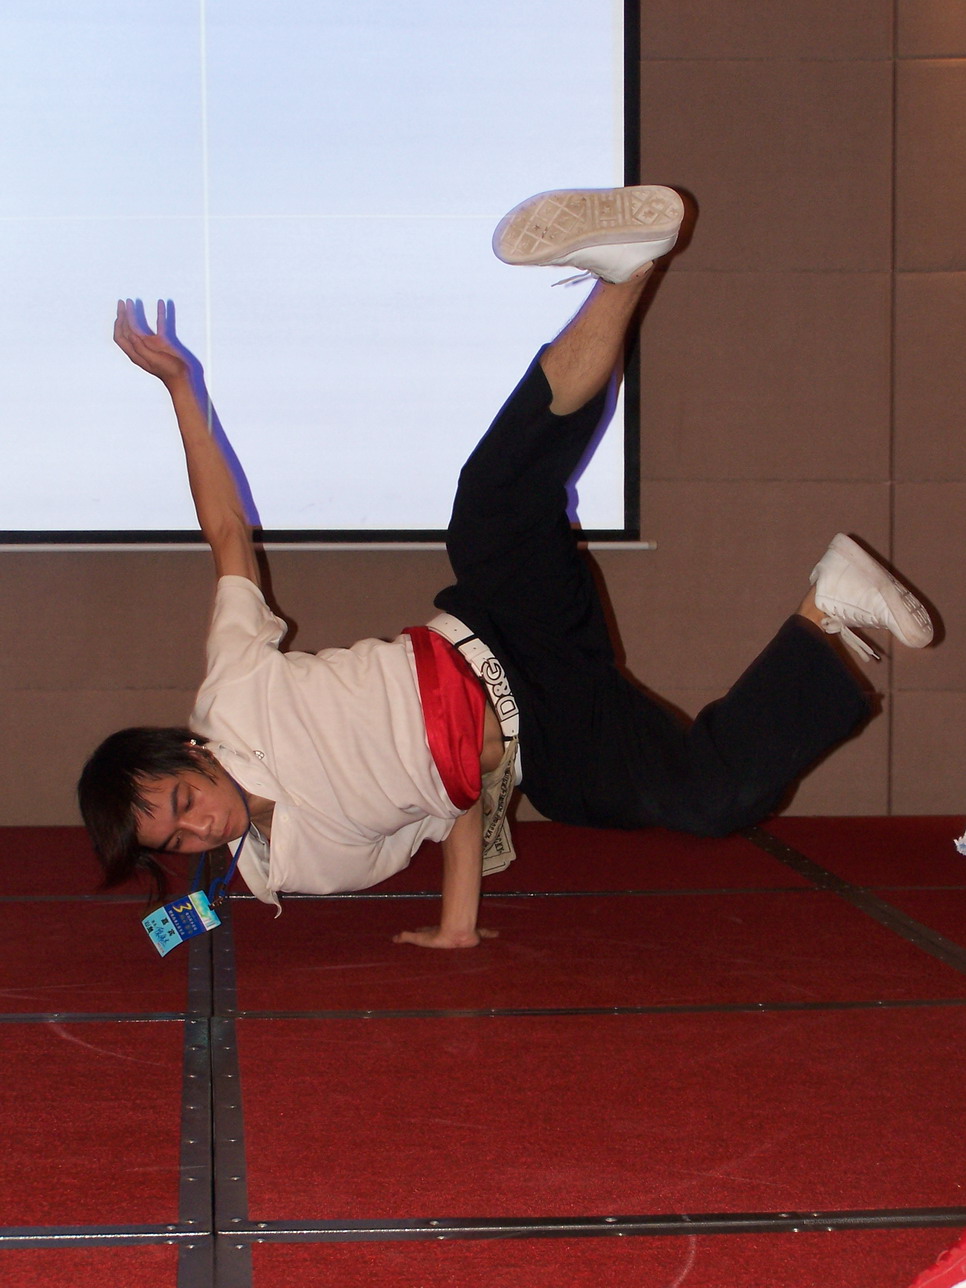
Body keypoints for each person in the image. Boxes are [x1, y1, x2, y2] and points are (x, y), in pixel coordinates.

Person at [78, 184, 934, 949]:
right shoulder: (295, 868)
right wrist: (458, 922)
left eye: (184, 802)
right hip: (545, 742)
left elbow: (228, 533)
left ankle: (626, 270)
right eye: (177, 841)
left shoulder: (231, 695)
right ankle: (829, 606)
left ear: (190, 752)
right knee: (711, 801)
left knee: (491, 499)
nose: (199, 828)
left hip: (491, 626)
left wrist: (182, 388)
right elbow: (450, 808)